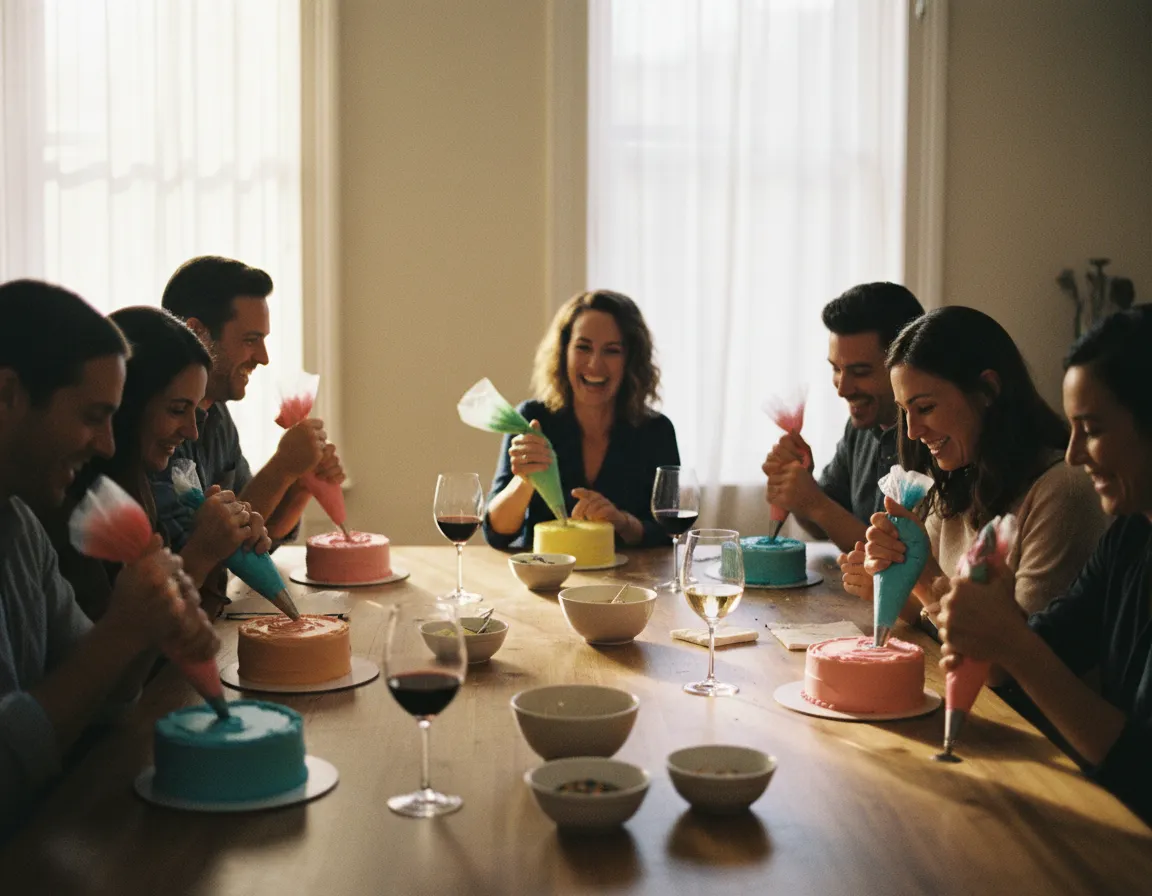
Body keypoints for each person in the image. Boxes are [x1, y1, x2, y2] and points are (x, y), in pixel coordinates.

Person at [0, 280, 217, 830]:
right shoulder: (45, 517)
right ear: (7, 396)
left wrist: (150, 626)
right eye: (94, 415)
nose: (108, 444)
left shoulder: (19, 526)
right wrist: (124, 630)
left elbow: (105, 702)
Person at [938, 306, 1152, 822]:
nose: (1074, 455)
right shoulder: (1130, 536)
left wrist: (1008, 639)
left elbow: (1141, 774)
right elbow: (1027, 666)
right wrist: (984, 629)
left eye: (1092, 429)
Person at [845, 306, 1107, 622]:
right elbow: (927, 615)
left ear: (988, 390)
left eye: (925, 407)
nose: (912, 431)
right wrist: (892, 579)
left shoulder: (1062, 492)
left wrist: (926, 577)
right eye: (904, 411)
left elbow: (1016, 655)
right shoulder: (955, 475)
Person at [42, 307, 271, 622]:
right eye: (177, 409)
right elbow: (119, 645)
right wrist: (202, 551)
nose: (192, 432)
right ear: (129, 403)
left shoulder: (139, 481)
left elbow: (197, 620)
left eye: (196, 411)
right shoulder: (69, 503)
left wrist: (223, 545)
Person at [152, 256, 345, 550]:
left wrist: (302, 481)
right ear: (197, 334)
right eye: (251, 340)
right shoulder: (155, 425)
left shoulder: (218, 415)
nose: (263, 357)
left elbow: (256, 535)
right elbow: (203, 551)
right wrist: (281, 468)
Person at [484, 289, 679, 550]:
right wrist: (524, 480)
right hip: (546, 584)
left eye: (611, 351)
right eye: (583, 347)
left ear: (630, 359)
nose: (594, 364)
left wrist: (622, 522)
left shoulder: (657, 431)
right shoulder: (533, 418)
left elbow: (669, 532)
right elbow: (497, 534)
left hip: (630, 587)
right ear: (564, 353)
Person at [762, 282, 923, 553]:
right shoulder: (858, 428)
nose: (842, 389)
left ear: (904, 365)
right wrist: (800, 490)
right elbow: (824, 525)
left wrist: (814, 503)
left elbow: (897, 558)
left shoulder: (929, 436)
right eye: (836, 369)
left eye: (860, 372)